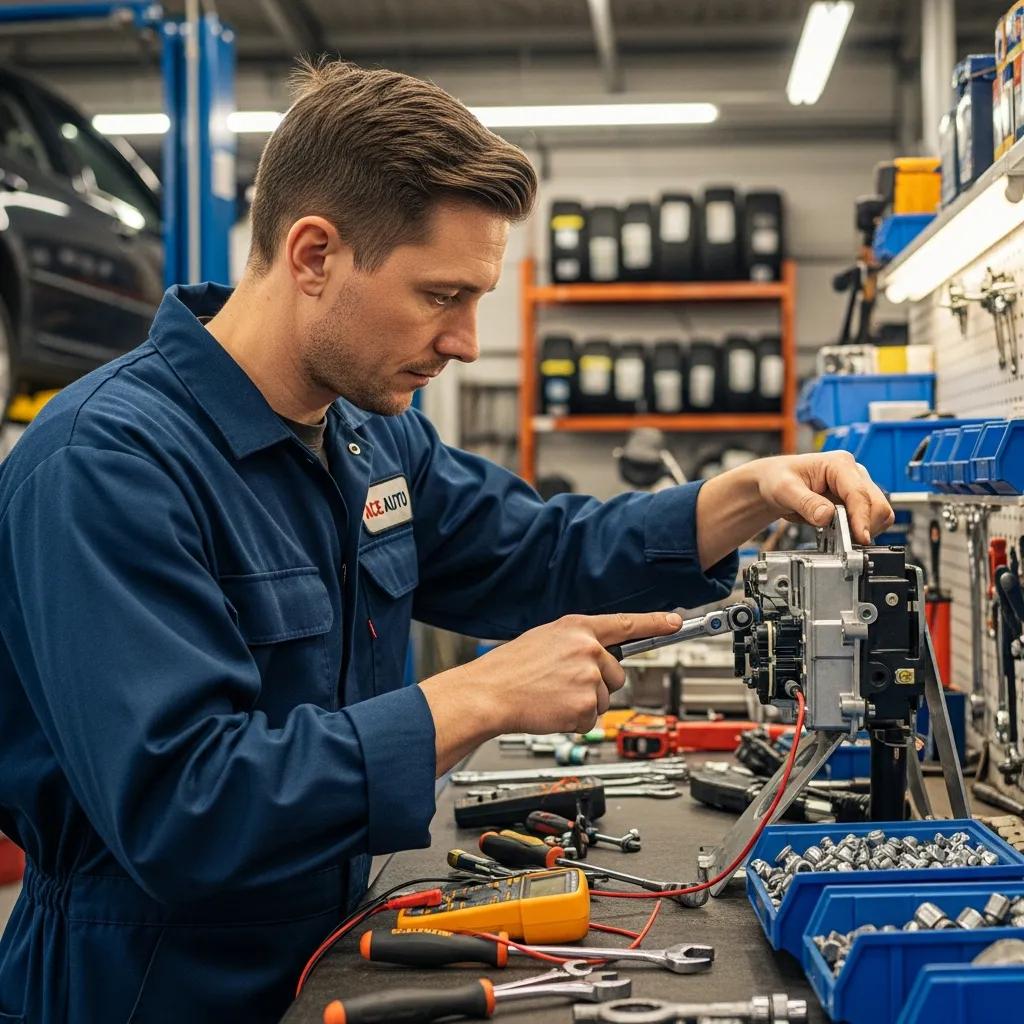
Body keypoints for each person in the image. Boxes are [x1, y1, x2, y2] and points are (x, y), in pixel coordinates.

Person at [0, 59, 893, 1023]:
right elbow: (185, 806)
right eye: (441, 296)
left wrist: (744, 494)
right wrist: (475, 695)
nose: (468, 340)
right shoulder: (107, 465)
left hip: (331, 945)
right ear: (313, 256)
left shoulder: (366, 432)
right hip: (146, 981)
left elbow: (539, 553)